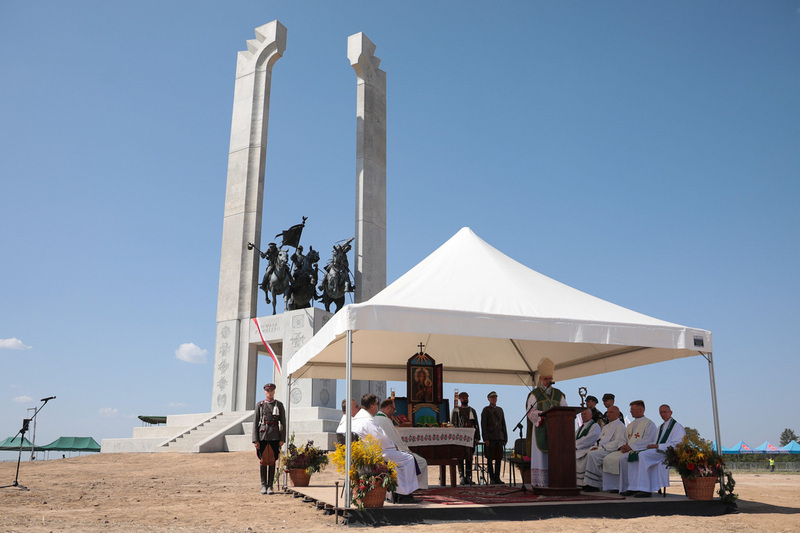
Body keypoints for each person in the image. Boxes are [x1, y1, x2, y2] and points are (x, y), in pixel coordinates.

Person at [351, 393, 420, 503]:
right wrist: (393, 445)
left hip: (364, 454)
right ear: (373, 406)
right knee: (408, 459)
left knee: (398, 462)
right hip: (375, 455)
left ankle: (395, 493)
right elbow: (380, 439)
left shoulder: (355, 419)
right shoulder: (367, 421)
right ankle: (404, 495)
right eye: (377, 404)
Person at [620, 404, 685, 497]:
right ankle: (633, 487)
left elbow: (678, 444)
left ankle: (645, 489)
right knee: (632, 455)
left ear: (671, 412)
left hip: (667, 453)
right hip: (657, 451)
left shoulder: (677, 427)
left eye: (665, 412)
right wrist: (651, 445)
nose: (663, 414)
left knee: (642, 456)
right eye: (661, 412)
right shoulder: (661, 427)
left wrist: (658, 446)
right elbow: (655, 441)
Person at [525, 357, 567, 488]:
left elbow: (565, 410)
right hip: (541, 429)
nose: (548, 381)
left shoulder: (559, 394)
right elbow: (530, 412)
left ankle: (556, 482)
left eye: (550, 379)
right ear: (541, 379)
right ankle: (541, 483)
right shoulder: (535, 394)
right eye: (546, 379)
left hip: (556, 431)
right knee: (541, 457)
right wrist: (541, 416)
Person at [598, 400, 657, 492]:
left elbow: (648, 439)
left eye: (632, 409)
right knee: (609, 458)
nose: (630, 411)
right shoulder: (630, 425)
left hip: (641, 450)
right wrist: (622, 446)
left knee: (623, 459)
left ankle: (631, 487)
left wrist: (631, 447)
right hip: (628, 449)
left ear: (641, 410)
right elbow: (623, 438)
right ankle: (616, 486)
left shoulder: (649, 424)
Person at [374, 399, 428, 489]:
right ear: (388, 408)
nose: (394, 413)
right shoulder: (385, 420)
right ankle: (417, 487)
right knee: (421, 462)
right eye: (393, 410)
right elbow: (394, 440)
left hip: (380, 452)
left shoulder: (374, 418)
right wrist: (406, 450)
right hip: (388, 453)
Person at [582, 406, 626, 492]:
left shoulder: (620, 426)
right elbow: (599, 440)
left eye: (611, 412)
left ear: (617, 414)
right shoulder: (606, 427)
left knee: (592, 455)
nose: (608, 414)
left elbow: (617, 442)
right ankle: (587, 482)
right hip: (602, 449)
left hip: (611, 450)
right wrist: (595, 447)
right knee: (587, 453)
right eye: (608, 412)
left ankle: (594, 484)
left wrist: (601, 448)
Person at [252, 383, 286, 495]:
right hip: (262, 436)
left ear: (274, 391)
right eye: (267, 391)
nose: (269, 392)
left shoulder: (279, 405)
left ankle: (270, 486)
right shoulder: (260, 405)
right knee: (263, 461)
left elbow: (283, 423)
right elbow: (255, 423)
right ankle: (263, 485)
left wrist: (282, 438)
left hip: (275, 435)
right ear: (264, 392)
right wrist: (255, 439)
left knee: (272, 460)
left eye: (271, 390)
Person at [451, 391, 481, 485]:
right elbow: (453, 424)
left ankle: (468, 477)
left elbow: (476, 424)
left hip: (471, 437)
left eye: (466, 398)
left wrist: (477, 437)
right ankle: (461, 477)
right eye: (463, 398)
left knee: (469, 457)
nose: (465, 399)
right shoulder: (456, 410)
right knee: (460, 458)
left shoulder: (472, 410)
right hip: (460, 437)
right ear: (460, 399)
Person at [481, 391, 508, 484]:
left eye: (495, 397)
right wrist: (485, 439)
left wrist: (505, 437)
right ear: (489, 399)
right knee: (489, 458)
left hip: (499, 436)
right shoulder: (486, 410)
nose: (494, 399)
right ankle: (492, 478)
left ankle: (497, 477)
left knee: (498, 458)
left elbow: (503, 424)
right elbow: (483, 425)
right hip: (491, 437)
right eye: (492, 397)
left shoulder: (500, 410)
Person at [575, 408, 602, 487]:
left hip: (589, 448)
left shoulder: (595, 426)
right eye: (582, 414)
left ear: (591, 415)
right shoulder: (580, 428)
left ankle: (586, 483)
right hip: (579, 448)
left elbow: (589, 439)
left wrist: (575, 446)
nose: (583, 416)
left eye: (585, 414)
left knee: (583, 457)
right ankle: (578, 483)